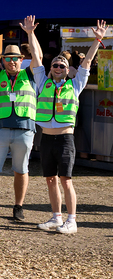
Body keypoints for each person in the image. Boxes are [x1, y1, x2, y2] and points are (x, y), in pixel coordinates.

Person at [34, 21, 107, 235]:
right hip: (46, 139)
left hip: (65, 139)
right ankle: (56, 217)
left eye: (62, 66)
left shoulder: (74, 85)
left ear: (68, 70)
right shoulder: (42, 83)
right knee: (50, 180)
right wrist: (30, 33)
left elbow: (88, 62)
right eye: (55, 65)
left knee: (66, 180)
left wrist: (97, 40)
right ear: (50, 69)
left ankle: (72, 220)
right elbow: (36, 59)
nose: (58, 68)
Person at [0, 16, 42, 220]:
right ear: (3, 60)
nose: (12, 61)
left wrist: (30, 33)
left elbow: (38, 56)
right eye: (8, 58)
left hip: (24, 129)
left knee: (21, 170)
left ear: (21, 60)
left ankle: (18, 207)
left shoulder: (30, 74)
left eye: (15, 58)